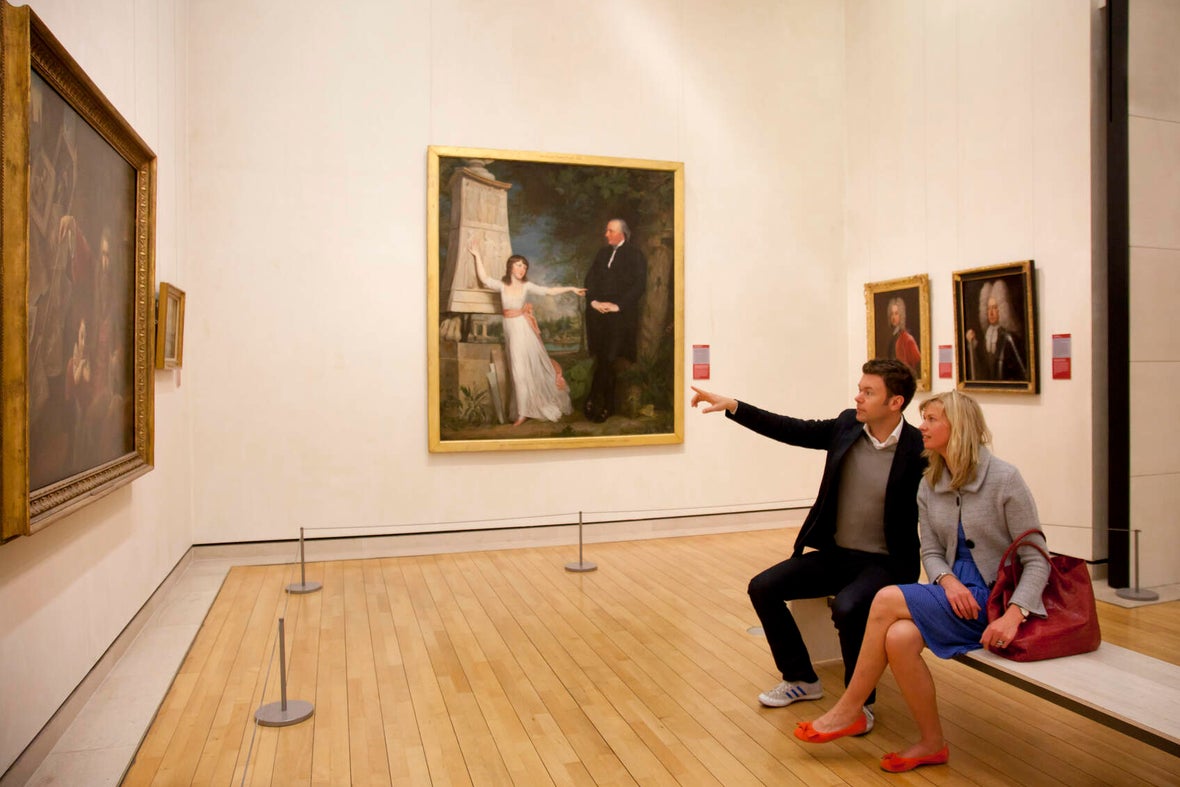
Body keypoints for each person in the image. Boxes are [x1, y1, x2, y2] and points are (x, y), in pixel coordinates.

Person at [794, 390, 1049, 773]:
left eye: (931, 419)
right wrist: (947, 582)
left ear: (957, 427)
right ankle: (932, 743)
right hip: (955, 595)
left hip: (996, 602)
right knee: (898, 639)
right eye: (923, 418)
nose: (922, 427)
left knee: (884, 599)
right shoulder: (930, 482)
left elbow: (1037, 558)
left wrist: (1013, 615)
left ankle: (850, 708)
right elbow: (930, 551)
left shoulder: (1004, 479)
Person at [690, 359, 925, 715]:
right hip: (840, 554)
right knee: (763, 587)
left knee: (848, 607)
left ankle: (859, 701)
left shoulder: (917, 448)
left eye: (868, 392)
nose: (858, 397)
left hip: (887, 564)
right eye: (860, 389)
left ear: (895, 403)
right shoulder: (848, 425)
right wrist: (735, 407)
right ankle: (801, 679)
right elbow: (794, 429)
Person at [469, 240, 585, 425]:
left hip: (524, 331)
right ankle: (524, 411)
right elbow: (484, 279)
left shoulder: (527, 286)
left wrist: (571, 288)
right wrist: (477, 256)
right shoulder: (501, 285)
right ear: (510, 267)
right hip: (511, 330)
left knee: (526, 369)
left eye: (524, 266)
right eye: (518, 265)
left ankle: (524, 412)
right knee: (518, 372)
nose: (522, 268)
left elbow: (549, 291)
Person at [583, 218, 646, 423]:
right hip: (599, 316)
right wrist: (593, 302)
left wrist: (617, 306)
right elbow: (589, 280)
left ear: (621, 234)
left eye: (610, 231)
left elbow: (638, 286)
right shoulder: (602, 254)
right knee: (603, 359)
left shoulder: (635, 255)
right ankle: (605, 406)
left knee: (609, 360)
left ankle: (597, 399)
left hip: (621, 317)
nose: (606, 234)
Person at [965, 280, 1027, 381]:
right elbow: (983, 366)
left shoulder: (1009, 338)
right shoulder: (986, 336)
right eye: (989, 308)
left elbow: (1020, 369)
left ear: (1002, 309)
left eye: (994, 308)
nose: (991, 312)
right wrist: (973, 345)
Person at [887, 296, 920, 378]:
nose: (893, 317)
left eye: (896, 313)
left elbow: (915, 360)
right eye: (892, 314)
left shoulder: (906, 337)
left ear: (901, 315)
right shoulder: (893, 336)